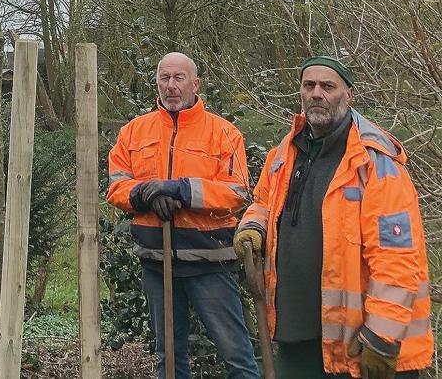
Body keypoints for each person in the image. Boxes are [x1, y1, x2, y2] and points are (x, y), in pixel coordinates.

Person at [235, 57, 433, 378]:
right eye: (308, 85)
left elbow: (397, 258)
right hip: (293, 335)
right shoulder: (284, 154)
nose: (316, 93)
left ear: (348, 94)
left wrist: (382, 337)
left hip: (357, 345)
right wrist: (253, 227)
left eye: (328, 86)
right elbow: (263, 202)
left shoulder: (375, 163)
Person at [107, 52, 258, 379]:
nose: (171, 86)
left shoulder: (224, 133)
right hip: (156, 263)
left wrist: (181, 191)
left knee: (237, 355)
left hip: (210, 264)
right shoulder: (134, 132)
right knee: (169, 357)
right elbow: (116, 187)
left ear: (195, 84)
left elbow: (236, 192)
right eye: (165, 78)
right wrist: (145, 195)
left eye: (179, 78)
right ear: (157, 82)